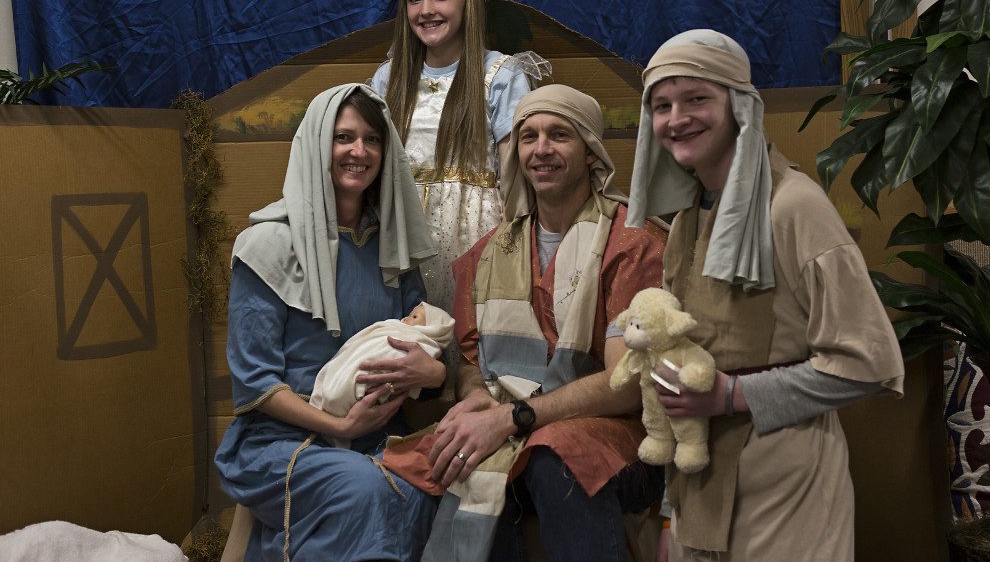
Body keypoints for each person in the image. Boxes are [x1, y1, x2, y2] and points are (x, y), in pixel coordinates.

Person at [625, 30, 905, 562]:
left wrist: (733, 396)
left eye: (697, 98)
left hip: (784, 489)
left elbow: (869, 361)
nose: (676, 118)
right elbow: (676, 369)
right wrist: (670, 514)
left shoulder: (794, 207)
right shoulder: (687, 218)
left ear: (739, 105)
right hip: (699, 484)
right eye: (662, 105)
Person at [425, 84, 668, 562]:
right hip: (513, 424)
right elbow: (473, 361)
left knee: (555, 456)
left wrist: (513, 417)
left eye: (559, 135)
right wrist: (476, 397)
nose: (541, 149)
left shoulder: (633, 243)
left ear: (590, 150)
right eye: (528, 136)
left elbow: (629, 385)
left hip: (622, 439)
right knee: (448, 457)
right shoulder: (490, 252)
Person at [214, 84, 443, 562]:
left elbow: (425, 339)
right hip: (280, 443)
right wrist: (338, 420)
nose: (359, 152)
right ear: (318, 146)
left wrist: (435, 374)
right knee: (365, 490)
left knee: (436, 488)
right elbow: (254, 383)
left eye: (372, 139)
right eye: (343, 138)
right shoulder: (265, 248)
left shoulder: (390, 249)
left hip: (379, 432)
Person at [369, 0, 549, 312]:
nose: (427, 10)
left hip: (474, 229)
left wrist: (517, 247)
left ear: (467, 2)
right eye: (414, 0)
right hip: (403, 229)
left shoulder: (499, 74)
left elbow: (515, 174)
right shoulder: (390, 78)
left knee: (469, 332)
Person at [310, 301, 455, 447]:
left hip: (385, 425)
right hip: (310, 420)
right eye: (409, 315)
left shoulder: (418, 339)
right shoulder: (395, 327)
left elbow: (423, 371)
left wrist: (437, 373)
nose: (405, 319)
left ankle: (343, 392)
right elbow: (364, 346)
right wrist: (342, 427)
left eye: (414, 316)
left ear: (433, 329)